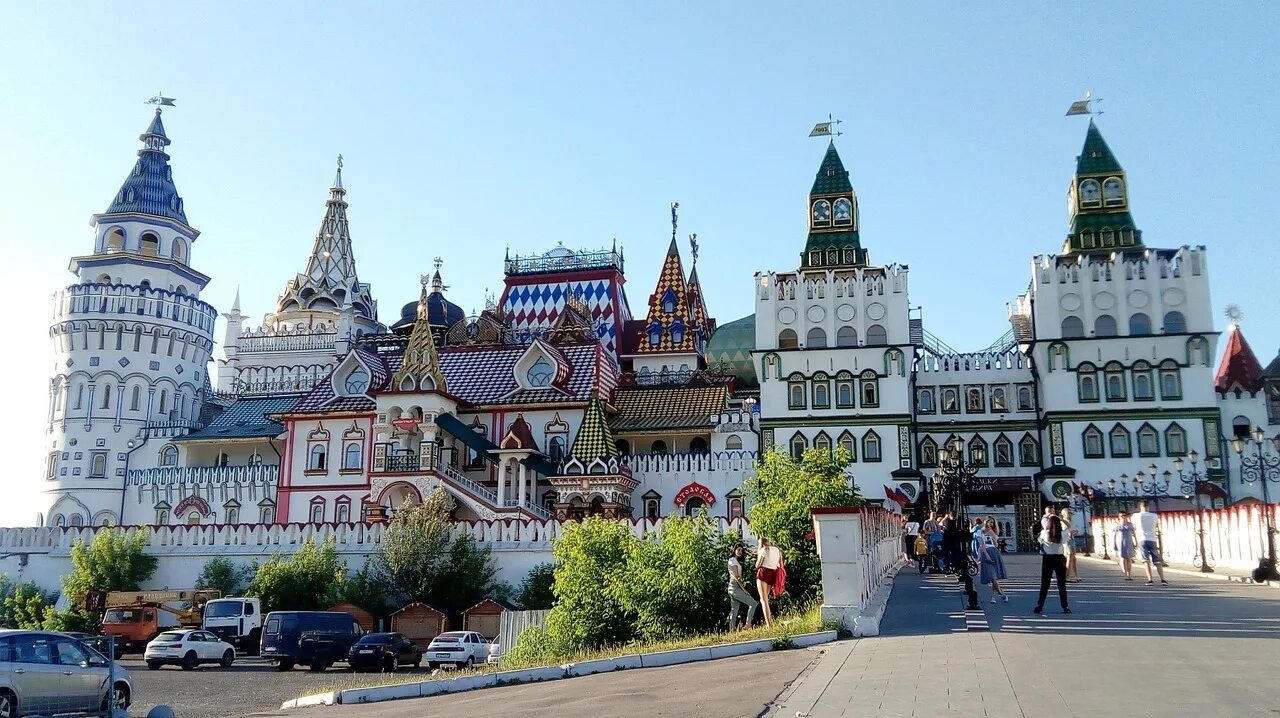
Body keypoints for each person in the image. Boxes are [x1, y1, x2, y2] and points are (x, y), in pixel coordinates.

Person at [1034, 515, 1071, 614]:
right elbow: (1069, 526)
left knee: (1045, 584)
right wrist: (1062, 519)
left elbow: (1039, 540)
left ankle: (1040, 605)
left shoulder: (1044, 533)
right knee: (1061, 584)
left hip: (1048, 559)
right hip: (1059, 558)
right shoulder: (1062, 534)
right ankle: (1065, 606)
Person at [1132, 500, 1169, 586]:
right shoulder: (1154, 515)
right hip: (1152, 539)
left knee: (1146, 560)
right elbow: (1156, 526)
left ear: (1140, 507)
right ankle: (1163, 579)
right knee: (1157, 561)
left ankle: (1150, 580)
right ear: (1148, 507)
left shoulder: (1135, 516)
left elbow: (1134, 527)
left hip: (1142, 539)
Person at [978, 517, 1008, 604]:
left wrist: (993, 536)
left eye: (992, 523)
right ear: (985, 522)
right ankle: (1002, 594)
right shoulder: (980, 531)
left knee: (993, 577)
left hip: (994, 552)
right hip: (985, 552)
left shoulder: (993, 532)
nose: (990, 524)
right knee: (991, 577)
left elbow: (995, 545)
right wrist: (986, 555)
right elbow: (982, 544)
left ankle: (994, 597)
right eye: (989, 522)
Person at [727, 545, 758, 629]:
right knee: (753, 603)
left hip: (734, 587)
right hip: (734, 586)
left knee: (734, 610)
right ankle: (748, 625)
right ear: (734, 550)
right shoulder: (732, 560)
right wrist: (744, 589)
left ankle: (731, 629)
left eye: (741, 550)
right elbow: (736, 576)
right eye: (738, 550)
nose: (740, 552)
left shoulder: (736, 561)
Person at [756, 537, 785, 627]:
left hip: (763, 572)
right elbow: (781, 564)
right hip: (773, 573)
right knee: (766, 599)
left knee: (763, 600)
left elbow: (757, 565)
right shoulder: (777, 550)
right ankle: (769, 621)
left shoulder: (764, 549)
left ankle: (769, 624)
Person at [1112, 510, 1137, 580]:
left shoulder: (1130, 524)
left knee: (1129, 558)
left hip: (1128, 542)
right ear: (1119, 517)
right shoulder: (1117, 525)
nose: (1123, 517)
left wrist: (1136, 542)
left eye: (1124, 515)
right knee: (1122, 558)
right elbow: (1115, 534)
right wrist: (1114, 544)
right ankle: (1125, 573)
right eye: (1121, 516)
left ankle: (1129, 574)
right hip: (1120, 542)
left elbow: (1134, 533)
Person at [1061, 508, 1081, 582]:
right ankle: (1066, 576)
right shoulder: (1064, 522)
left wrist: (1074, 531)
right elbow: (1066, 532)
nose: (1071, 514)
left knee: (1073, 558)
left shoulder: (1069, 521)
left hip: (1071, 540)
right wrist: (1073, 531)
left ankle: (1076, 575)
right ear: (1066, 513)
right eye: (1069, 513)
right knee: (1069, 559)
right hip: (1067, 541)